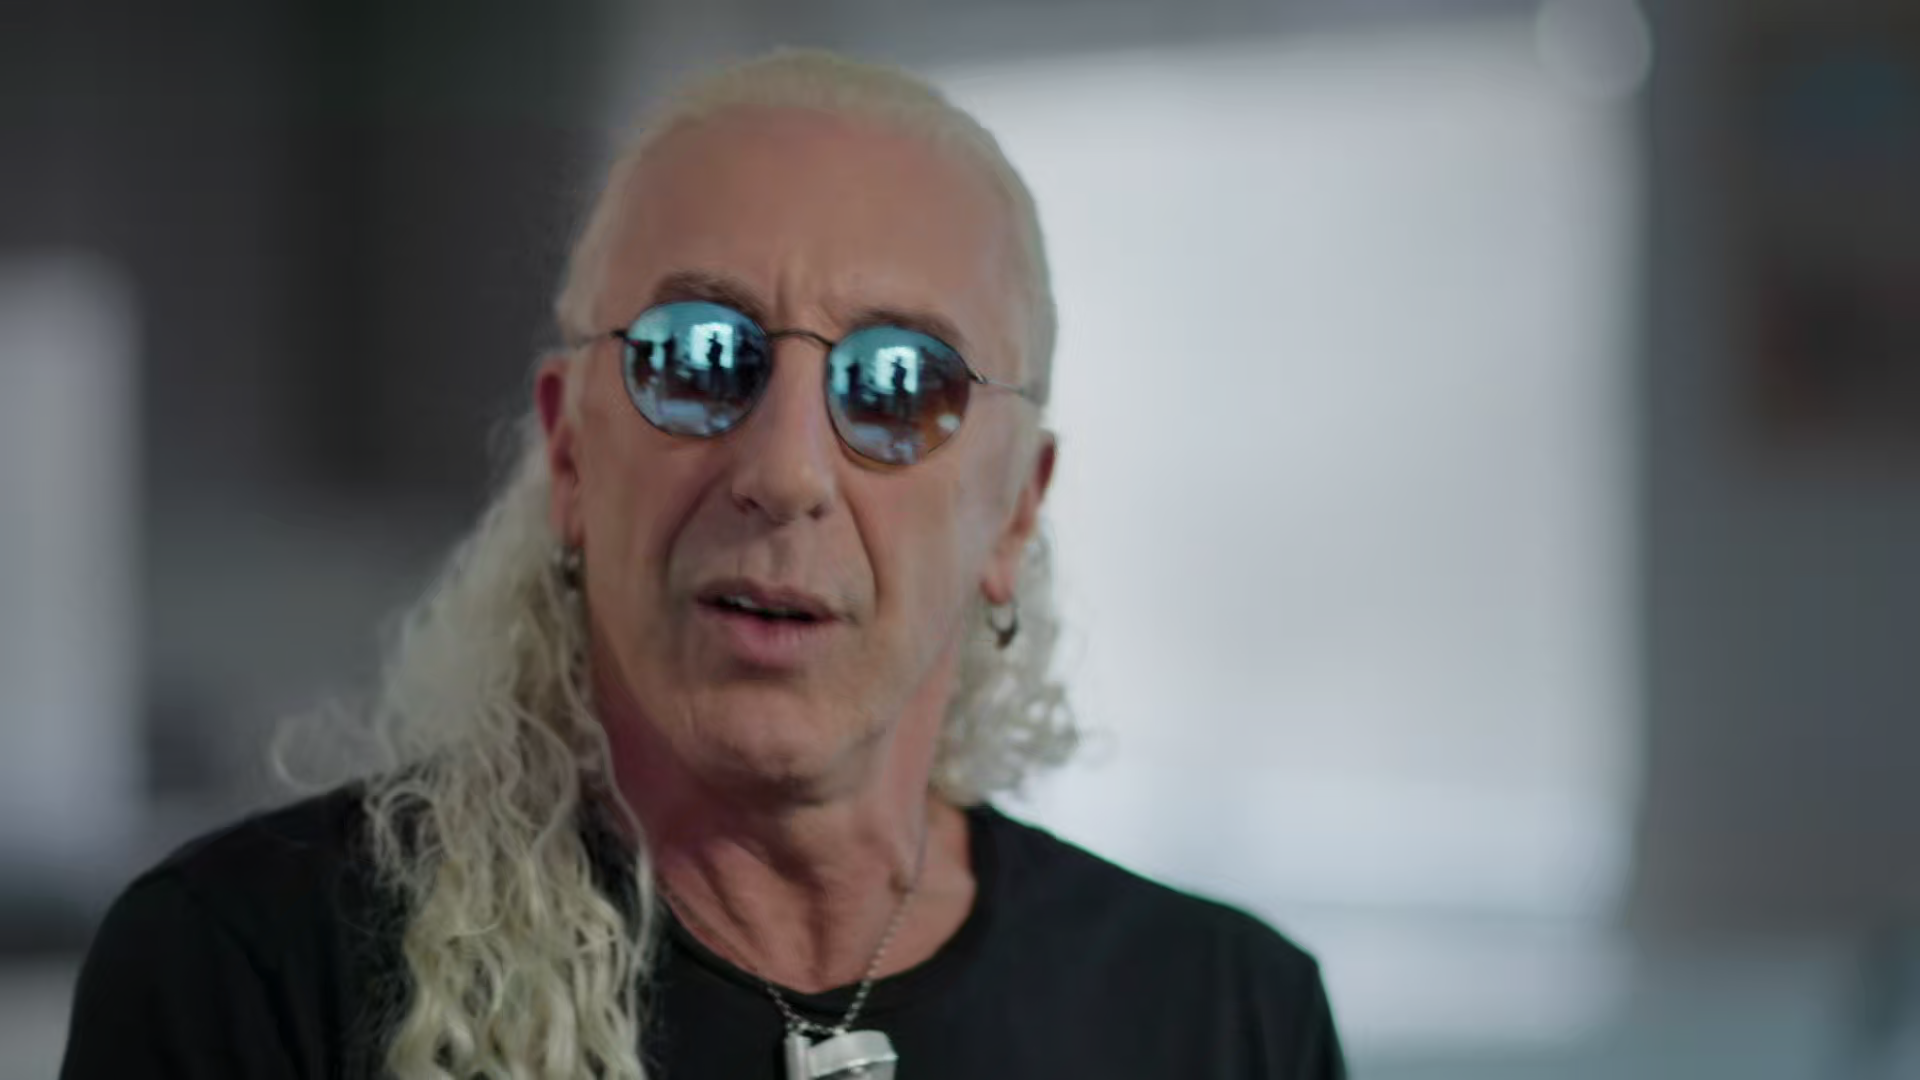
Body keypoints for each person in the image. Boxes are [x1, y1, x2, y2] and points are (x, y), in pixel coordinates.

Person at [59, 49, 1345, 1080]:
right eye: (695, 357)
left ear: (1015, 513)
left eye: (899, 383)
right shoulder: (250, 977)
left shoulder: (1226, 1017)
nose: (784, 471)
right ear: (572, 454)